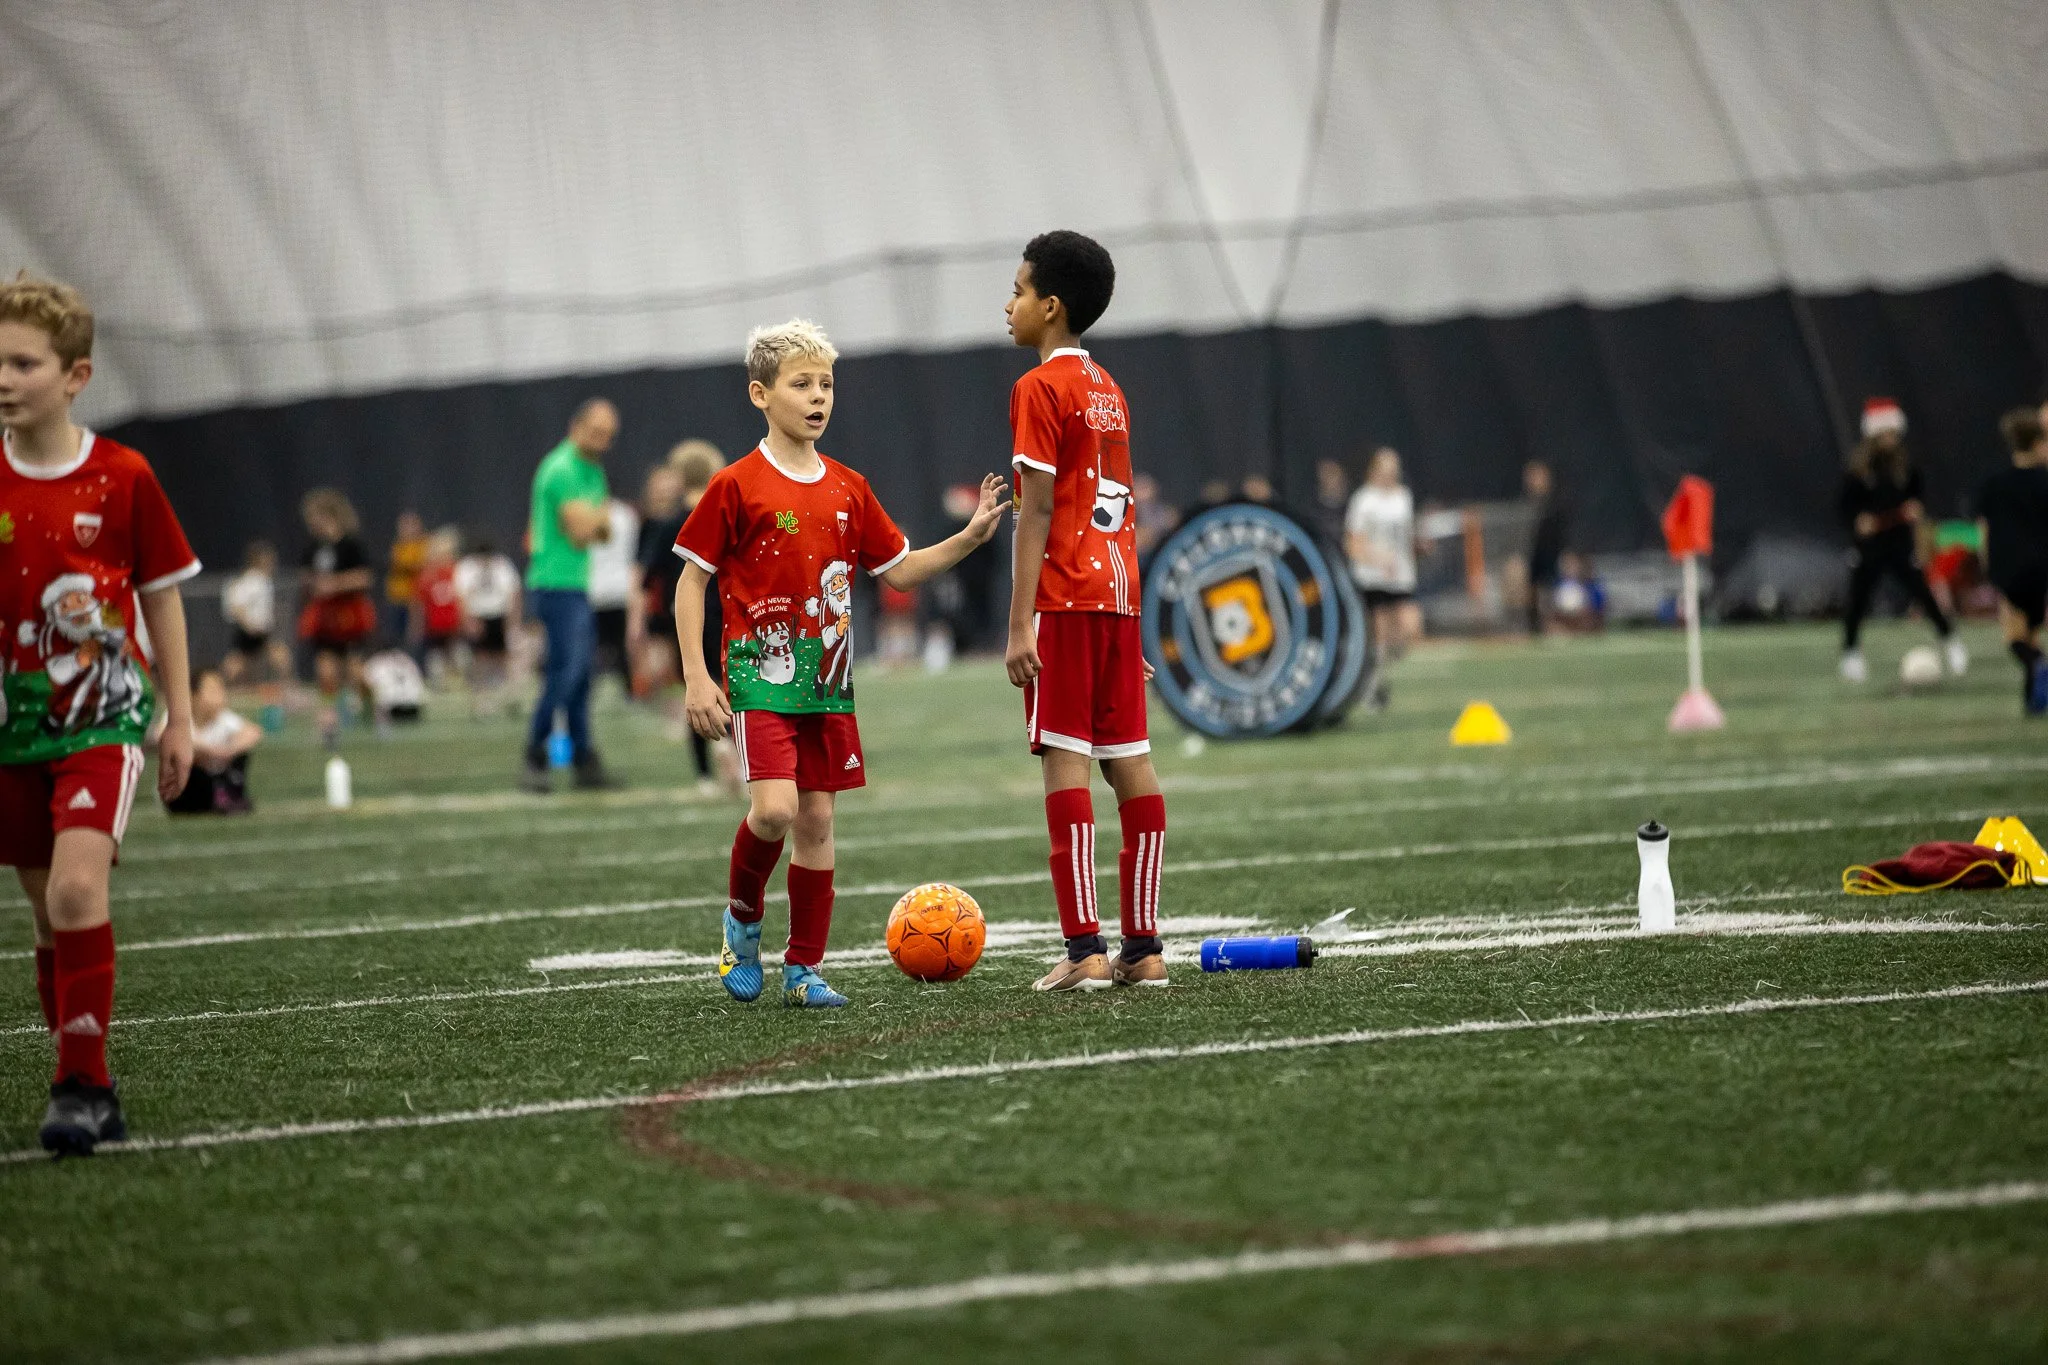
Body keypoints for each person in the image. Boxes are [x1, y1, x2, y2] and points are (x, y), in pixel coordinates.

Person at [675, 319, 1004, 1009]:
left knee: (818, 824)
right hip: (761, 679)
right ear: (761, 394)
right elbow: (691, 581)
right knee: (774, 811)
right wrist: (697, 677)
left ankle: (803, 969)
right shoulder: (736, 485)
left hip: (828, 684)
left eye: (826, 383)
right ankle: (743, 920)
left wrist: (970, 537)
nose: (818, 396)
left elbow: (902, 571)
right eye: (802, 384)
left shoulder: (850, 487)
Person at [0, 272, 199, 1156]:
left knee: (81, 889)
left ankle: (78, 1087)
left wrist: (178, 717)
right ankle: (89, 1068)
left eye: (23, 362)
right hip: (13, 730)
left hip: (102, 722)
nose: (5, 377)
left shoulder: (123, 477)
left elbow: (162, 598)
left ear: (75, 376)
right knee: (47, 916)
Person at [1003, 230, 1170, 992]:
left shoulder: (1040, 388)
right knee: (1130, 763)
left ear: (1051, 306)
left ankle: (1083, 950)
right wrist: (1122, 612)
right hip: (1118, 597)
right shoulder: (1110, 386)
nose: (1008, 306)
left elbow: (1036, 508)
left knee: (1063, 760)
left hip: (1067, 598)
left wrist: (1018, 623)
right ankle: (1145, 947)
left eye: (1018, 291)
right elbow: (1116, 501)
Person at [522, 398, 621, 792]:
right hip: (554, 584)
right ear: (576, 426)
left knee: (580, 678)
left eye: (608, 436)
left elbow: (606, 530)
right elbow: (585, 533)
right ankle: (535, 752)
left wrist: (593, 519)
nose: (601, 442)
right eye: (596, 433)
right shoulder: (560, 469)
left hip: (576, 586)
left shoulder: (591, 469)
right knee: (567, 673)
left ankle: (584, 760)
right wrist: (595, 518)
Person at [1838, 398, 1966, 682]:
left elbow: (1918, 500)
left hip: (1899, 544)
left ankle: (1951, 641)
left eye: (1892, 433)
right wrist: (1860, 522)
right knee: (1858, 601)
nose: (1889, 439)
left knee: (1923, 593)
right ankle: (1850, 653)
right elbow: (1846, 509)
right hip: (1870, 548)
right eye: (1883, 434)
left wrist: (1914, 511)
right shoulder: (1858, 471)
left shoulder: (1907, 468)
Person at [297, 487, 376, 747]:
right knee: (326, 673)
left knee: (355, 673)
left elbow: (364, 576)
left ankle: (372, 710)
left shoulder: (351, 545)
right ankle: (329, 725)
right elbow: (307, 577)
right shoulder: (313, 549)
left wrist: (335, 584)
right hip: (325, 617)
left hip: (350, 615)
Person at [1981, 408, 2048, 714]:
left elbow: (1985, 529)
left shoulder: (1996, 483)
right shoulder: (2043, 481)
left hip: (2010, 567)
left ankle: (2038, 666)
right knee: (2032, 632)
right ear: (2038, 443)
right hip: (2041, 567)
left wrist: (1986, 566)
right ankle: (2033, 702)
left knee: (2014, 637)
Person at [1345, 447, 1423, 690]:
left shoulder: (1403, 497)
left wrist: (1419, 548)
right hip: (1373, 576)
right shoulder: (1363, 499)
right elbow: (1353, 543)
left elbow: (1408, 537)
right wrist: (1377, 560)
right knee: (1379, 631)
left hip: (1401, 574)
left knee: (1410, 627)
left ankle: (1380, 672)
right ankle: (1374, 680)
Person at [164, 670, 259, 815]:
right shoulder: (180, 718)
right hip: (187, 786)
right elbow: (163, 736)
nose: (220, 695)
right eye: (213, 690)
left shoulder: (223, 718)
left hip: (217, 774)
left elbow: (252, 732)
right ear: (193, 695)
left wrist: (229, 750)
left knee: (240, 758)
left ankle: (228, 796)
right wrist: (209, 751)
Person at [220, 539, 291, 728]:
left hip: (261, 631)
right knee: (240, 664)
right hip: (252, 630)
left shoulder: (262, 580)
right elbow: (236, 604)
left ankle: (283, 690)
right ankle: (221, 690)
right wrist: (247, 623)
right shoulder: (253, 580)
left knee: (258, 661)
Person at [455, 532, 519, 718]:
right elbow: (462, 596)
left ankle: (511, 695)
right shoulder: (467, 567)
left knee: (504, 657)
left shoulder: (502, 565)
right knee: (480, 660)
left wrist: (512, 621)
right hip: (479, 616)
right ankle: (481, 700)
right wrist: (468, 621)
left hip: (498, 614)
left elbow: (513, 593)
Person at [586, 491, 639, 697]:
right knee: (620, 646)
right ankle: (629, 692)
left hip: (597, 590)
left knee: (595, 646)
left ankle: (592, 691)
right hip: (618, 588)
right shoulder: (626, 515)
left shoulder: (589, 514)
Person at [411, 526, 463, 686]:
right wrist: (416, 627)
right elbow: (418, 605)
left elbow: (462, 599)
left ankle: (456, 685)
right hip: (434, 626)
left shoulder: (457, 571)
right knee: (437, 664)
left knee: (457, 660)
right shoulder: (426, 576)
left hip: (453, 625)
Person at [1523, 460, 1567, 635]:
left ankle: (1555, 625)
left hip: (1552, 557)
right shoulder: (1528, 506)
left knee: (1551, 594)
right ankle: (1536, 628)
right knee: (1533, 593)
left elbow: (1561, 534)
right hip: (1535, 560)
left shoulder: (1556, 504)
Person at [383, 510, 427, 651]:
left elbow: (420, 567)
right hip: (396, 599)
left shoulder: (424, 545)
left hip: (414, 601)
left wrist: (405, 567)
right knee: (396, 637)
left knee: (415, 638)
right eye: (403, 526)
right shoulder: (398, 547)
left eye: (409, 525)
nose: (405, 529)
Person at [1311, 457, 1351, 548]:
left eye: (1332, 473)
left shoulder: (1355, 507)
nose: (1328, 479)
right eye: (1324, 474)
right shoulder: (1311, 513)